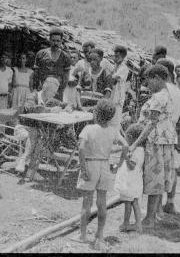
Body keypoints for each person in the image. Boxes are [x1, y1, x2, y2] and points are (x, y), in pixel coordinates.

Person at [75, 99, 128, 250]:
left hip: (91, 163)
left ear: (96, 113)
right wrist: (119, 164)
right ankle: (100, 234)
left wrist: (83, 168)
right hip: (105, 164)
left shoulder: (89, 129)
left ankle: (83, 235)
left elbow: (81, 149)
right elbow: (125, 145)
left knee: (87, 202)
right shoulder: (113, 130)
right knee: (102, 202)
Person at [129, 64, 177, 228]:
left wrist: (134, 144)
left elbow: (151, 123)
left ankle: (149, 218)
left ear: (156, 78)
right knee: (158, 180)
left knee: (154, 180)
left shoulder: (158, 97)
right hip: (164, 142)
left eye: (148, 81)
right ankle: (155, 214)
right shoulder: (167, 94)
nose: (146, 85)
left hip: (156, 142)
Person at [156, 58, 180, 215]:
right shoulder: (178, 91)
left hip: (161, 132)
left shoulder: (163, 90)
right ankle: (170, 202)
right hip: (171, 133)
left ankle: (158, 206)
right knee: (170, 169)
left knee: (159, 170)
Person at [115, 123, 145, 234]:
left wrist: (126, 156)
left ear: (132, 138)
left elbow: (131, 166)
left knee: (130, 203)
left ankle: (131, 224)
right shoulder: (140, 149)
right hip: (135, 181)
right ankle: (133, 224)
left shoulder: (137, 151)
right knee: (133, 202)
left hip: (130, 181)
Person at [34, 27, 71, 100]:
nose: (56, 43)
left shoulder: (65, 56)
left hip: (57, 91)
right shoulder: (41, 54)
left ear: (61, 41)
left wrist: (60, 91)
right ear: (49, 40)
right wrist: (37, 86)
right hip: (43, 88)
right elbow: (36, 73)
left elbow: (66, 77)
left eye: (58, 41)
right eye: (53, 40)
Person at [109, 45, 129, 131]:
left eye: (117, 56)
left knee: (115, 120)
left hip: (117, 97)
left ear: (123, 56)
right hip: (112, 96)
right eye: (114, 55)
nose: (115, 58)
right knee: (110, 119)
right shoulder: (115, 67)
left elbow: (113, 79)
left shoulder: (124, 68)